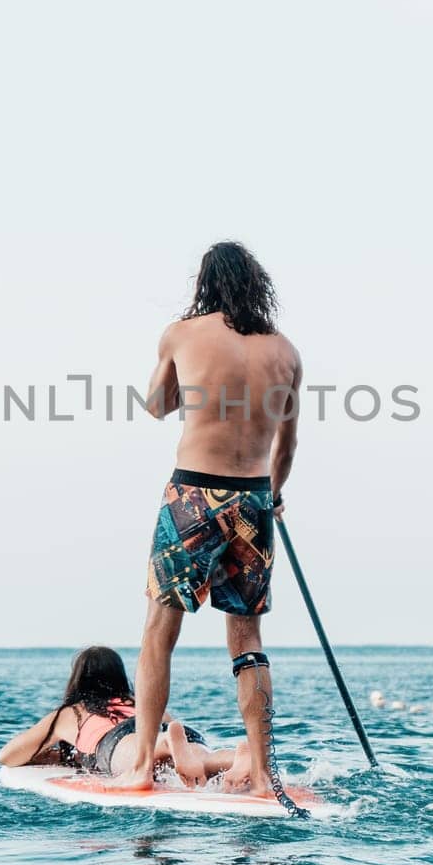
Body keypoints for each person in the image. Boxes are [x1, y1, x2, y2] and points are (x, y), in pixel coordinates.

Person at [111, 241, 301, 797]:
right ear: (255, 285)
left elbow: (157, 404)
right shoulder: (286, 351)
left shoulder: (182, 334)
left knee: (159, 631)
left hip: (193, 496)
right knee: (247, 638)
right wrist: (274, 494)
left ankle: (144, 765)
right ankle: (264, 776)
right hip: (253, 500)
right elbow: (286, 449)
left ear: (205, 284)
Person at [0, 646, 250, 786]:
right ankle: (236, 756)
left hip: (116, 740)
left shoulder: (71, 713)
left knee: (140, 754)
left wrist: (49, 754)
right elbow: (171, 724)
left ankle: (166, 745)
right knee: (203, 759)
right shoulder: (140, 702)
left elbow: (8, 756)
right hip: (167, 729)